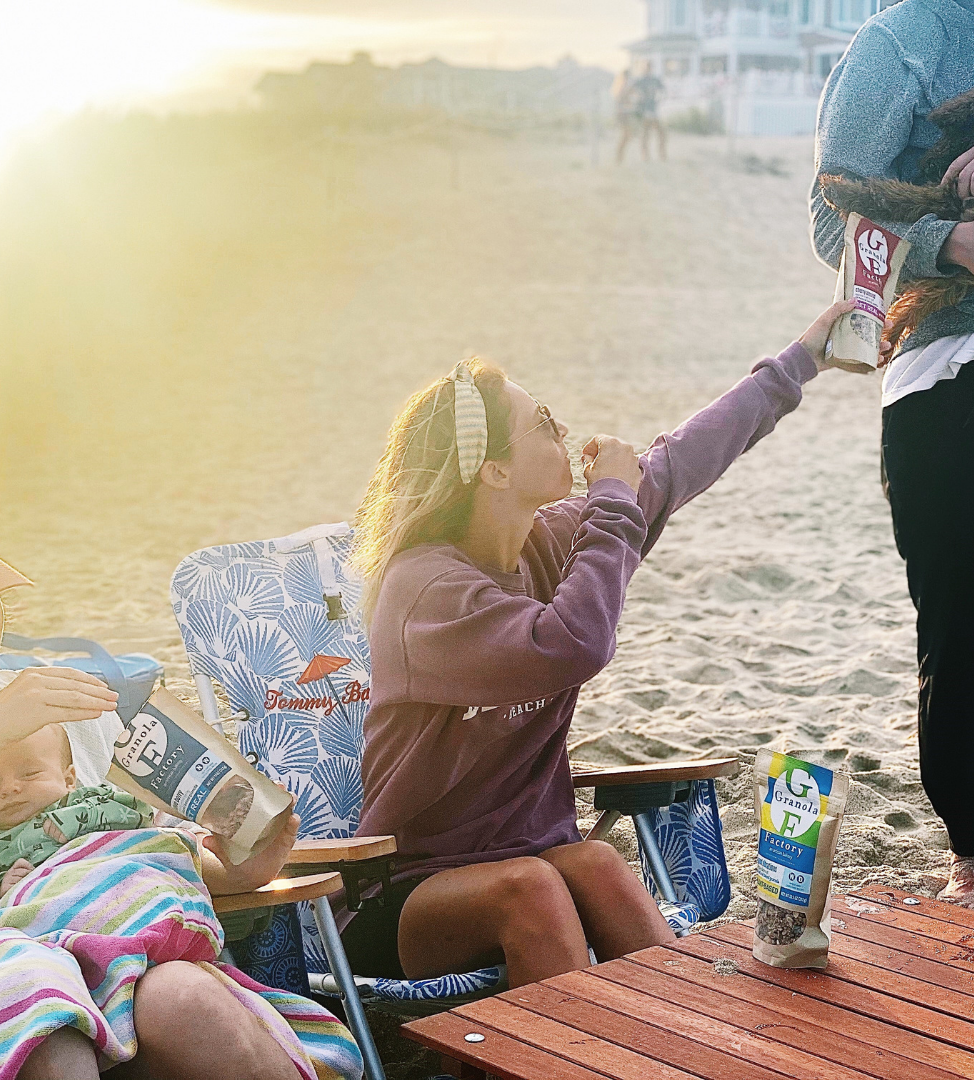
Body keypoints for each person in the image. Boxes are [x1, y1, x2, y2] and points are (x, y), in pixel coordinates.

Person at [346, 299, 854, 990]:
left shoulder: (547, 543)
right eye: (543, 424)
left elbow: (675, 465)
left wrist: (802, 360)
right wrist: (612, 502)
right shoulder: (425, 592)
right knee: (532, 885)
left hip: (535, 863)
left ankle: (680, 1044)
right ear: (493, 471)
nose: (564, 430)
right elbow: (573, 643)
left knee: (596, 864)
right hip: (406, 897)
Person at [0, 489, 361, 1080]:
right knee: (46, 1030)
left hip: (107, 962)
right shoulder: (14, 710)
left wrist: (238, 870)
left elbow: (128, 850)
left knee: (184, 1001)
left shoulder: (58, 708)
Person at [810, 0, 974, 904]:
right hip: (952, 364)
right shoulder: (907, 41)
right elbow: (834, 221)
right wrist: (946, 237)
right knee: (962, 625)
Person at [0, 724, 151, 922]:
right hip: (52, 917)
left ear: (68, 781)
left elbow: (140, 811)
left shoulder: (82, 801)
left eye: (29, 773)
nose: (9, 788)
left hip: (114, 885)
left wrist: (79, 817)